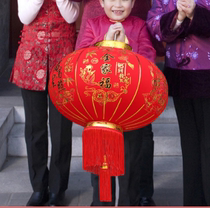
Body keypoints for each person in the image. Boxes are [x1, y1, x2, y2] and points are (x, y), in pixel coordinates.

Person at [76, 0, 156, 205]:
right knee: (102, 164)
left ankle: (130, 201)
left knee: (131, 161)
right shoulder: (94, 24)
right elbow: (81, 59)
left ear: (133, 3)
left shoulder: (138, 25)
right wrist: (105, 42)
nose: (118, 4)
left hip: (131, 107)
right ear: (101, 3)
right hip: (99, 110)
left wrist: (125, 45)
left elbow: (149, 59)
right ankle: (103, 202)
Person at [10, 0, 81, 206]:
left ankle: (58, 189)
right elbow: (25, 18)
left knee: (61, 129)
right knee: (34, 127)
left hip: (64, 57)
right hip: (32, 58)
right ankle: (39, 187)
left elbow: (71, 17)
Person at [147, 0, 210, 205]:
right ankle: (193, 202)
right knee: (190, 146)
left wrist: (195, 13)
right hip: (181, 77)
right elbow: (155, 25)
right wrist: (178, 17)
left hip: (206, 76)